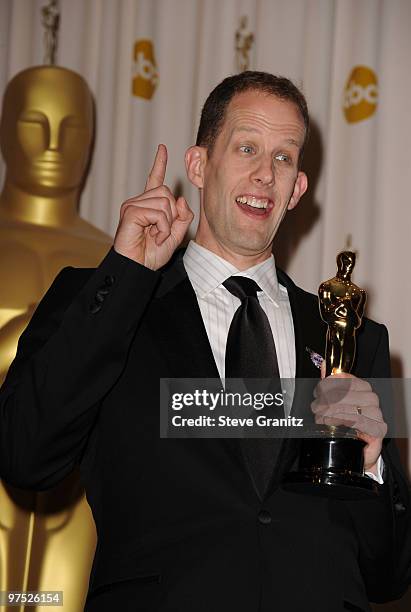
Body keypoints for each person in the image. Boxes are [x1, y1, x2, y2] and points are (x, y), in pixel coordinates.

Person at [0, 71, 410, 612]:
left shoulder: (357, 337)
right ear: (198, 165)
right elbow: (26, 456)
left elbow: (390, 575)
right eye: (246, 148)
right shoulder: (106, 299)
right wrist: (125, 276)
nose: (266, 173)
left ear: (298, 190)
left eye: (284, 158)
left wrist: (375, 467)